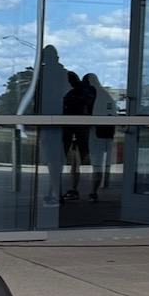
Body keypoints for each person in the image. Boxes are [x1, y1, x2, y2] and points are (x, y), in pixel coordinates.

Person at [35, 46, 67, 207]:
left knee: (51, 160)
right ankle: (53, 191)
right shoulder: (63, 73)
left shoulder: (44, 74)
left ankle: (55, 192)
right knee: (56, 160)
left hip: (48, 121)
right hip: (61, 121)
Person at [61, 70, 95, 201]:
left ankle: (73, 188)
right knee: (77, 160)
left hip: (76, 130)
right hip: (80, 130)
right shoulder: (85, 93)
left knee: (75, 160)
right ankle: (78, 189)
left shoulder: (75, 94)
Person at [85, 73, 116, 203]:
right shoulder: (104, 95)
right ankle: (96, 188)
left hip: (98, 133)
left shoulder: (97, 95)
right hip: (103, 133)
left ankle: (94, 190)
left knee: (97, 163)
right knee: (99, 163)